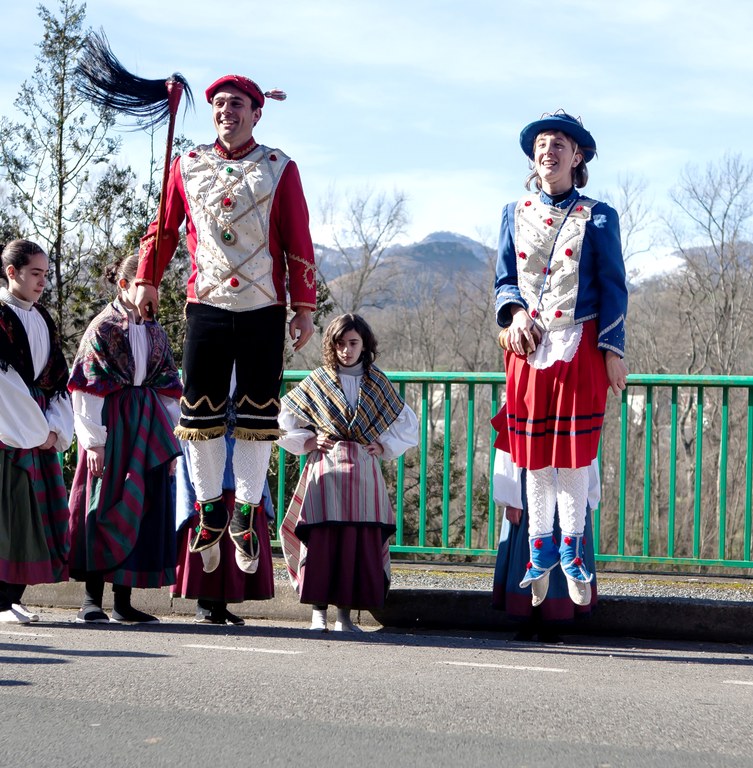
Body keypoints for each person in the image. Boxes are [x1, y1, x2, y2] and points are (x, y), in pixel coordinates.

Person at [134, 74, 316, 578]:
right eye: (218, 104)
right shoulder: (186, 165)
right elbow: (164, 228)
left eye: (236, 104)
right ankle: (210, 508)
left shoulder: (281, 168)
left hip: (264, 307)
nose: (225, 111)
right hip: (207, 305)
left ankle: (246, 512)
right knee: (199, 417)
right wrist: (147, 278)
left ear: (257, 113)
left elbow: (298, 238)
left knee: (259, 421)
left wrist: (304, 308)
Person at [493, 110, 628, 607]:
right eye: (542, 143)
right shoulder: (513, 212)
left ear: (578, 156)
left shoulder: (599, 214)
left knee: (573, 455)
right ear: (533, 156)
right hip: (529, 350)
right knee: (534, 456)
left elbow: (614, 287)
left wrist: (613, 350)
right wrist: (512, 316)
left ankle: (572, 548)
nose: (548, 151)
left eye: (559, 144)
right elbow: (505, 279)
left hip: (580, 345)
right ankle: (538, 548)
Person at [278, 313, 418, 632]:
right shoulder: (318, 379)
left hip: (364, 473)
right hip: (326, 467)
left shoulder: (377, 381)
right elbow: (282, 420)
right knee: (323, 538)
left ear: (364, 344)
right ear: (332, 345)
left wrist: (383, 447)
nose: (346, 350)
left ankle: (344, 617)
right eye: (340, 343)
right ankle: (318, 614)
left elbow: (408, 423)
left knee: (354, 540)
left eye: (353, 343)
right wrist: (310, 440)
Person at [67, 253, 182, 623]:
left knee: (141, 505)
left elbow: (167, 387)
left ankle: (123, 602)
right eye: (146, 285)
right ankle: (90, 599)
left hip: (146, 428)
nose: (153, 294)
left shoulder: (155, 330)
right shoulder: (102, 327)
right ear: (124, 285)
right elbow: (84, 388)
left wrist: (169, 445)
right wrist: (94, 441)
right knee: (102, 505)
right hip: (111, 425)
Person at [0, 239, 74, 624]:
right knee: (9, 515)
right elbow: (5, 385)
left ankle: (12, 597)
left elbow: (57, 379)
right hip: (10, 432)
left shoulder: (42, 317)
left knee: (34, 516)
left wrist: (57, 429)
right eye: (35, 274)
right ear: (12, 272)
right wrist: (36, 431)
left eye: (45, 274)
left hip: (36, 428)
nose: (42, 282)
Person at [491, 443, 599, 642]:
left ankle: (554, 621)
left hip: (570, 479)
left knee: (564, 548)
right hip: (530, 480)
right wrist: (511, 498)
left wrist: (589, 493)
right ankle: (528, 621)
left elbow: (585, 444)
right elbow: (511, 441)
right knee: (529, 551)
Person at [172, 425, 276, 626]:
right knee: (208, 520)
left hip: (241, 442)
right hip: (207, 439)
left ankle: (221, 606)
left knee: (236, 528)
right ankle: (204, 605)